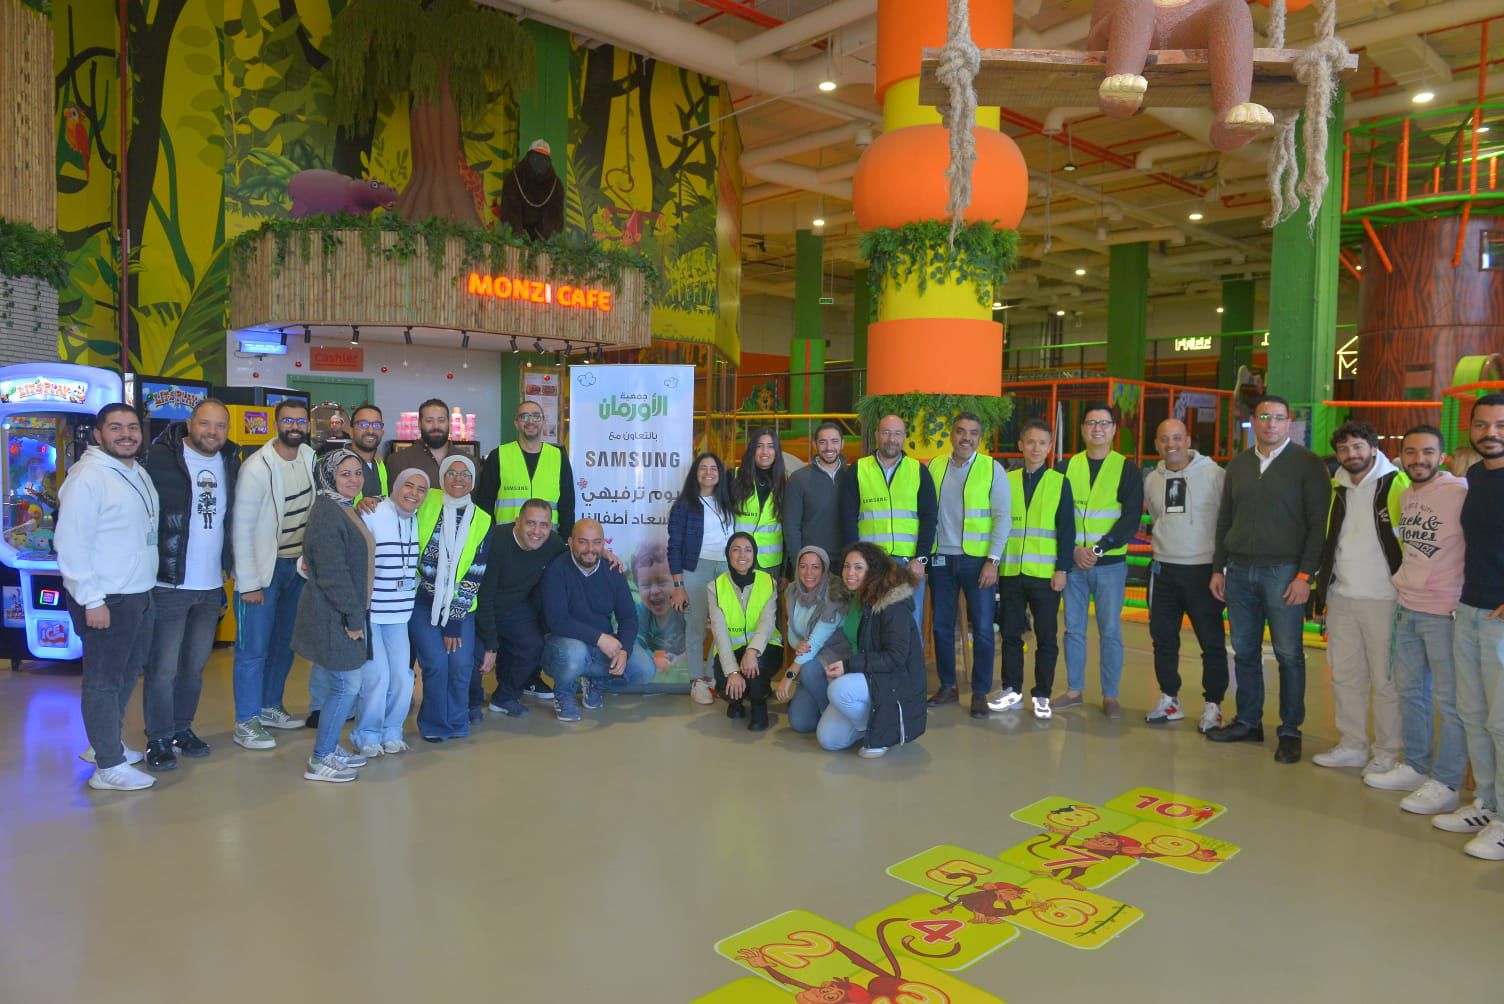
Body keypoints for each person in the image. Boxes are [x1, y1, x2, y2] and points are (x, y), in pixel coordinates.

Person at [1207, 394, 1331, 764]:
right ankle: (1248, 721)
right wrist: (1218, 567)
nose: (1270, 424)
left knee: (1289, 654)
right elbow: (1225, 519)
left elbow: (1318, 526)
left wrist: (1305, 575)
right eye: (1264, 417)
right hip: (1239, 572)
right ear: (1254, 421)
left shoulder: (1308, 464)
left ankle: (1290, 730)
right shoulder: (1239, 464)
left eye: (1278, 417)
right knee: (1244, 651)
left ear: (1288, 422)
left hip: (1284, 573)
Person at [1363, 426, 1467, 814]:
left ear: (1442, 457)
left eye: (1427, 452)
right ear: (1401, 456)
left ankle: (1447, 781)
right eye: (1411, 452)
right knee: (1410, 692)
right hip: (1407, 607)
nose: (1418, 459)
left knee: (1450, 702)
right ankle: (1417, 766)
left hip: (1445, 611)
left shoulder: (1459, 491)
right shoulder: (1406, 494)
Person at [56, 403, 160, 791]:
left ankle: (105, 744)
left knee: (126, 675)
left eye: (132, 427)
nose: (126, 434)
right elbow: (70, 544)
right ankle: (108, 767)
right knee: (103, 680)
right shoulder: (87, 477)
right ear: (98, 434)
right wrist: (91, 599)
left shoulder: (135, 471)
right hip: (107, 597)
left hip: (138, 592)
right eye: (115, 428)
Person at [141, 398, 239, 770]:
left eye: (219, 426)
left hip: (211, 586)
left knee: (194, 668)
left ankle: (182, 729)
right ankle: (158, 738)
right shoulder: (159, 458)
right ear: (190, 423)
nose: (212, 432)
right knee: (162, 668)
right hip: (169, 583)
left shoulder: (230, 460)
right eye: (204, 423)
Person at [1310, 421, 1409, 775]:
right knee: (1346, 676)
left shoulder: (1397, 484)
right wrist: (1322, 592)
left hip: (1385, 599)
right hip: (1342, 598)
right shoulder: (1336, 489)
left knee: (1385, 680)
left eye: (1357, 447)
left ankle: (1389, 751)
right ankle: (1352, 744)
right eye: (1343, 449)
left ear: (1373, 448)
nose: (1351, 454)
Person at [230, 398, 316, 750]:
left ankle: (269, 706)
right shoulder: (256, 467)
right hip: (263, 573)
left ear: (308, 425)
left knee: (284, 644)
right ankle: (246, 721)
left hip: (297, 570)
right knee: (253, 649)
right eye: (288, 420)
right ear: (276, 424)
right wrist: (249, 582)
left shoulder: (310, 458)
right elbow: (241, 529)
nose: (294, 426)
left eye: (300, 421)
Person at [1443, 394, 1504, 859]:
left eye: (1500, 424)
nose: (1490, 433)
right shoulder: (1477, 477)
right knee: (1473, 713)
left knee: (1501, 722)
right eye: (1481, 425)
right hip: (1468, 609)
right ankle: (1486, 803)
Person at [292, 450, 375, 782]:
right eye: (345, 474)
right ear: (328, 477)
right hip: (333, 615)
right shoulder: (328, 513)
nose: (354, 479)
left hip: (340, 611)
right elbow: (333, 574)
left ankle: (329, 746)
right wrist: (354, 618)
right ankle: (320, 758)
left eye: (358, 473)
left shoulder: (342, 506)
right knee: (346, 686)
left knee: (341, 685)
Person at [1142, 418, 1227, 732]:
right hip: (1164, 569)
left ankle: (1213, 705)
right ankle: (1169, 699)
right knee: (1163, 640)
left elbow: (1226, 521)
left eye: (1177, 438)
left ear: (1188, 440)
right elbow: (1157, 517)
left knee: (1211, 642)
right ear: (1156, 444)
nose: (1171, 445)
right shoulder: (1153, 479)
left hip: (1203, 571)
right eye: (1164, 439)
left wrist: (1220, 568)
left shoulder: (1214, 474)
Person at [1059, 403, 1144, 717]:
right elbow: (1058, 515)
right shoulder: (1066, 467)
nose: (1097, 429)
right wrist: (1073, 550)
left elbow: (1130, 518)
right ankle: (1074, 690)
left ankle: (1111, 695)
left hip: (1109, 565)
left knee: (1110, 631)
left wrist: (1098, 549)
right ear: (1082, 429)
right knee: (1073, 630)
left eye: (1104, 423)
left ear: (1114, 429)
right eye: (1091, 423)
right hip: (1073, 563)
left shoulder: (1127, 469)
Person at [926, 412, 1010, 717]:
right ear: (951, 434)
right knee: (941, 626)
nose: (966, 438)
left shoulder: (991, 468)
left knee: (984, 628)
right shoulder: (935, 466)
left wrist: (993, 560)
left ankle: (979, 692)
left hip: (977, 561)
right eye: (961, 431)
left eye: (973, 433)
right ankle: (948, 686)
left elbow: (1002, 517)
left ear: (979, 438)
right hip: (940, 558)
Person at [815, 542, 928, 758]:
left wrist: (848, 666)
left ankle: (885, 732)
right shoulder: (858, 596)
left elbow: (895, 658)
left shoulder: (892, 604)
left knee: (838, 689)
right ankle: (872, 726)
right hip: (870, 674)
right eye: (847, 566)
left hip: (894, 681)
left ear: (873, 570)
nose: (850, 573)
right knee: (829, 739)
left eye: (858, 567)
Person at [540, 518, 657, 722]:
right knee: (576, 653)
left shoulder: (612, 570)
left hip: (601, 643)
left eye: (596, 542)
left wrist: (624, 649)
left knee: (645, 669)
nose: (590, 549)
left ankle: (596, 683)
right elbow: (558, 621)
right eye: (583, 542)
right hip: (563, 642)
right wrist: (600, 638)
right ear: (571, 542)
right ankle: (564, 693)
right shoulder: (556, 571)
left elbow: (628, 617)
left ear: (603, 544)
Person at [411, 454, 493, 742]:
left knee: (460, 666)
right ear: (442, 477)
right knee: (436, 664)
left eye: (465, 474)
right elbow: (397, 503)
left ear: (473, 480)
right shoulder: (426, 501)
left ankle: (457, 722)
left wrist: (454, 621)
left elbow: (475, 573)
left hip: (461, 607)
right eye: (452, 473)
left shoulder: (482, 519)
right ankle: (433, 725)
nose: (459, 479)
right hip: (423, 601)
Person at [996, 419, 1074, 721]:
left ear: (1050, 447)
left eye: (1042, 443)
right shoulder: (1007, 481)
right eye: (1030, 442)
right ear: (1020, 445)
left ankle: (1042, 694)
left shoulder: (1059, 482)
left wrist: (1062, 569)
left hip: (1045, 575)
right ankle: (1011, 689)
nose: (1036, 448)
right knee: (1011, 634)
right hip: (1012, 571)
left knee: (1046, 638)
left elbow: (1066, 531)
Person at [348, 468, 429, 757]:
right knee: (377, 676)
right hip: (371, 611)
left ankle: (392, 731)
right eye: (408, 486)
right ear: (395, 487)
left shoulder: (418, 519)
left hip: (400, 613)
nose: (414, 493)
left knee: (403, 677)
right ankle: (366, 734)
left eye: (421, 489)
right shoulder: (372, 512)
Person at [840, 414, 938, 636]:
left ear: (904, 437)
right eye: (886, 432)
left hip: (908, 565)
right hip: (870, 565)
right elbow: (847, 518)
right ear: (876, 435)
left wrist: (921, 558)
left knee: (909, 627)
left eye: (897, 434)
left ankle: (910, 662)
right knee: (868, 628)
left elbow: (929, 517)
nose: (891, 439)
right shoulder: (858, 469)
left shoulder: (918, 470)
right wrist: (855, 562)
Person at [476, 498, 566, 718]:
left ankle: (505, 697)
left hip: (515, 608)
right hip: (480, 608)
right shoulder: (496, 541)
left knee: (532, 644)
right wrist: (491, 645)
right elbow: (484, 596)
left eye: (544, 525)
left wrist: (605, 554)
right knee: (473, 659)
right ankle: (470, 701)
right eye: (530, 523)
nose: (537, 531)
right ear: (517, 522)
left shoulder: (552, 543)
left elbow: (575, 554)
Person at [668, 452, 736, 705]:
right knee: (695, 627)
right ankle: (696, 680)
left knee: (723, 627)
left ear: (720, 474)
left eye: (714, 468)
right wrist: (678, 585)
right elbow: (674, 546)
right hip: (696, 568)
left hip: (726, 568)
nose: (709, 472)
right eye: (703, 468)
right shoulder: (684, 505)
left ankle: (711, 676)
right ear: (695, 474)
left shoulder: (728, 501)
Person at [706, 533, 785, 731]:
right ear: (728, 554)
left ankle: (759, 705)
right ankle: (736, 702)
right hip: (731, 649)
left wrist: (752, 651)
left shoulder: (768, 582)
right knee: (725, 681)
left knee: (755, 667)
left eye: (748, 550)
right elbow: (719, 633)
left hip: (765, 647)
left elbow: (767, 623)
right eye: (736, 549)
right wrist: (733, 671)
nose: (742, 555)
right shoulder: (715, 587)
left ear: (754, 554)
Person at [778, 545, 853, 734]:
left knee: (810, 669)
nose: (808, 573)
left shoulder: (835, 594)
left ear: (824, 569)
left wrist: (789, 675)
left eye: (815, 567)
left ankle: (831, 711)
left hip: (833, 657)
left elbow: (816, 640)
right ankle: (821, 699)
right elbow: (792, 631)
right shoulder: (792, 591)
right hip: (808, 657)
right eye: (803, 566)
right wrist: (798, 645)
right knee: (800, 723)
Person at [474, 399, 576, 535]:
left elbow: (567, 505)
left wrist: (563, 541)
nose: (530, 421)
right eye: (524, 416)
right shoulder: (498, 456)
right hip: (506, 539)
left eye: (536, 416)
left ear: (543, 422)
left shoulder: (558, 457)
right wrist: (491, 537)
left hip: (548, 539)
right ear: (516, 423)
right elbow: (484, 503)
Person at [783, 421, 847, 561]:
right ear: (814, 444)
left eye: (834, 441)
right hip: (812, 562)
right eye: (823, 442)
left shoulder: (852, 475)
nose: (829, 447)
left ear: (842, 444)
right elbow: (791, 527)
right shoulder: (799, 479)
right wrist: (799, 562)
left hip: (846, 560)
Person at [732, 427, 787, 576]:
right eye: (759, 446)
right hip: (738, 559)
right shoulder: (734, 477)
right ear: (752, 450)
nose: (765, 452)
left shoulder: (785, 484)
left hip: (771, 564)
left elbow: (788, 530)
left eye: (770, 447)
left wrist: (785, 573)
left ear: (776, 452)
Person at [631, 537, 684, 669]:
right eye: (646, 585)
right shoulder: (640, 612)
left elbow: (699, 644)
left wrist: (681, 659)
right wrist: (653, 658)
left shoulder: (685, 609)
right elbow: (635, 646)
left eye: (662, 582)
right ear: (638, 587)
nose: (654, 591)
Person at [385, 398, 456, 489]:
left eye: (441, 420)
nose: (436, 426)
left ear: (449, 423)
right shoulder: (399, 461)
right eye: (429, 421)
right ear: (419, 424)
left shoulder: (467, 460)